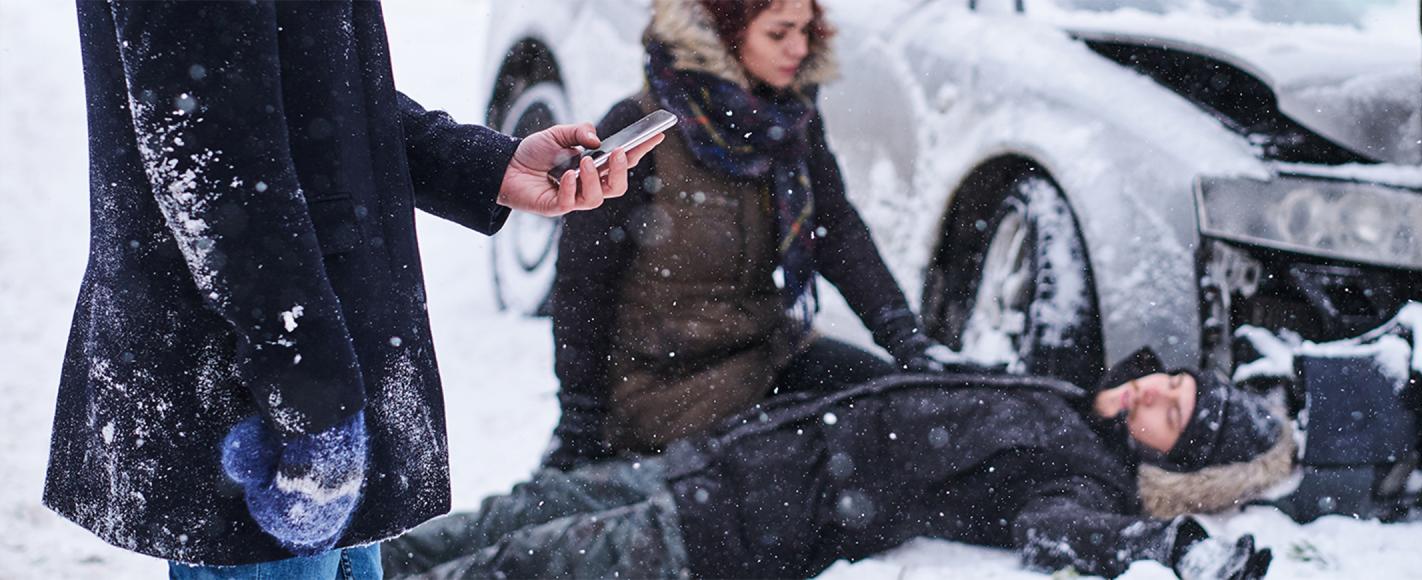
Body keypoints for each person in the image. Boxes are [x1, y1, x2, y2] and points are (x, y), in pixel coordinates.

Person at [47, 1, 659, 576]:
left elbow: (310, 82)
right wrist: (311, 401)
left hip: (318, 378)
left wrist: (482, 165)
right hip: (257, 400)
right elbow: (212, 160)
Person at [381, 356, 1291, 579]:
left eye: (1171, 415)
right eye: (1167, 382)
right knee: (523, 507)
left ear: (1176, 465)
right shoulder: (1060, 393)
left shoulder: (1082, 476)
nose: (1149, 396)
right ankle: (353, 565)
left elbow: (1057, 529)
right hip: (725, 461)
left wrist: (1168, 544)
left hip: (736, 528)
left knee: (523, 565)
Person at [544, 0, 973, 469]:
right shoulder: (638, 132)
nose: (799, 48)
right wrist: (580, 420)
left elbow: (836, 231)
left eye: (807, 31)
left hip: (767, 354)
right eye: (779, 33)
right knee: (815, 471)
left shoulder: (787, 121)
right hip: (666, 386)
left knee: (904, 414)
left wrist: (905, 340)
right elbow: (581, 286)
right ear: (723, 30)